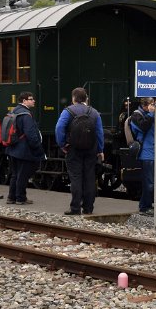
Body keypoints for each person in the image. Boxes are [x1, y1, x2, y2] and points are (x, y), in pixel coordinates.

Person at [54, 87, 104, 215]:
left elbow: (59, 128)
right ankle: (88, 208)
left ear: (73, 98)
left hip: (73, 149)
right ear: (86, 98)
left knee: (76, 178)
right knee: (89, 178)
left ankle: (75, 208)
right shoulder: (94, 112)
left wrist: (63, 144)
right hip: (91, 149)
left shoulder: (68, 111)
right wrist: (100, 150)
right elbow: (99, 133)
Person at [5, 91, 44, 205]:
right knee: (22, 175)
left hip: (12, 148)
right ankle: (20, 198)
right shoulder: (26, 115)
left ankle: (11, 197)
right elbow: (30, 134)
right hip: (23, 149)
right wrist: (37, 147)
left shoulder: (13, 111)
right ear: (24, 101)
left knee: (14, 174)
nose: (33, 101)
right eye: (31, 99)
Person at [130, 98, 156, 216]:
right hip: (145, 153)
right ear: (145, 105)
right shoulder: (136, 115)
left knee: (152, 181)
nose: (153, 106)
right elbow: (143, 127)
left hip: (153, 152)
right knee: (148, 182)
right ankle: (144, 207)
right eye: (152, 104)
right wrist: (151, 113)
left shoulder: (150, 115)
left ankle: (147, 205)